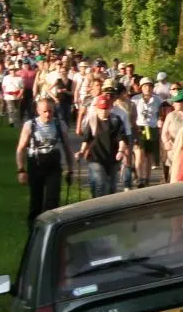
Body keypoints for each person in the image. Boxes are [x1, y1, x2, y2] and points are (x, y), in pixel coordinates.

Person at [17, 96, 76, 231]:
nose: (48, 114)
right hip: (35, 164)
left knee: (52, 200)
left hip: (53, 165)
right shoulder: (30, 125)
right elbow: (20, 149)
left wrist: (70, 169)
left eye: (50, 111)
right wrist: (21, 170)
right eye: (45, 111)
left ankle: (49, 230)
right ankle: (34, 230)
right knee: (35, 201)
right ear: (38, 111)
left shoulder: (60, 125)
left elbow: (67, 148)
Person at [77, 92, 128, 197]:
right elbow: (86, 139)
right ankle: (98, 208)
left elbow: (122, 138)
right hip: (95, 158)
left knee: (112, 187)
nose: (103, 111)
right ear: (97, 109)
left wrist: (121, 151)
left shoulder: (115, 120)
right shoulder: (92, 120)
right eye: (101, 108)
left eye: (106, 108)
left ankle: (109, 207)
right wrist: (81, 152)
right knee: (101, 183)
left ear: (110, 108)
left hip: (113, 158)